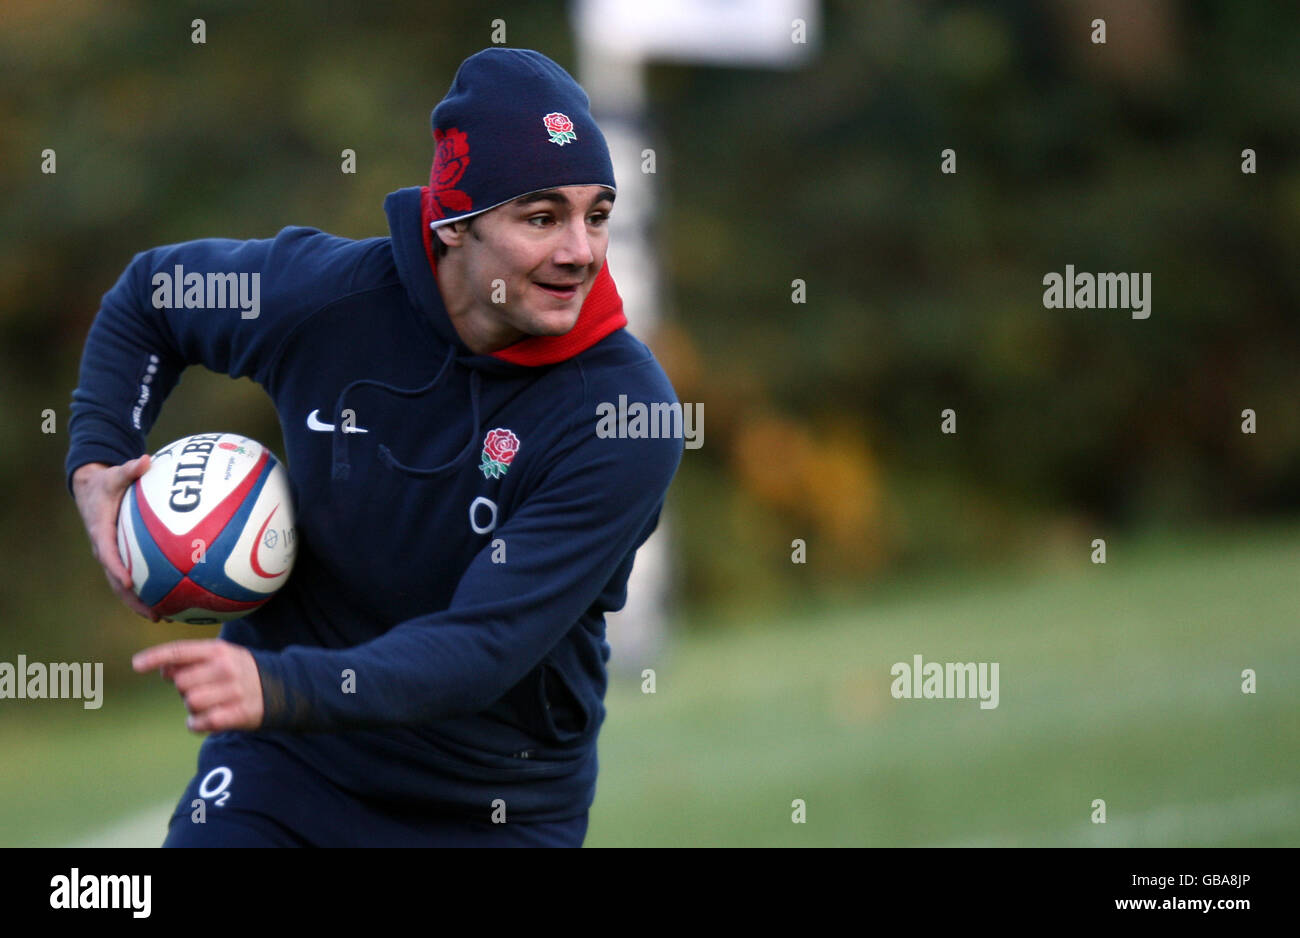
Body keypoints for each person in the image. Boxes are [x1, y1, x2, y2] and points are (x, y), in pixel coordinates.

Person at [65, 47, 683, 847]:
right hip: (291, 768)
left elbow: (482, 646)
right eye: (541, 217)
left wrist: (277, 684)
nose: (580, 251)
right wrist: (97, 458)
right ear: (455, 223)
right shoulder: (327, 299)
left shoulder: (624, 415)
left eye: (596, 214)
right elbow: (154, 298)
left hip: (495, 807)